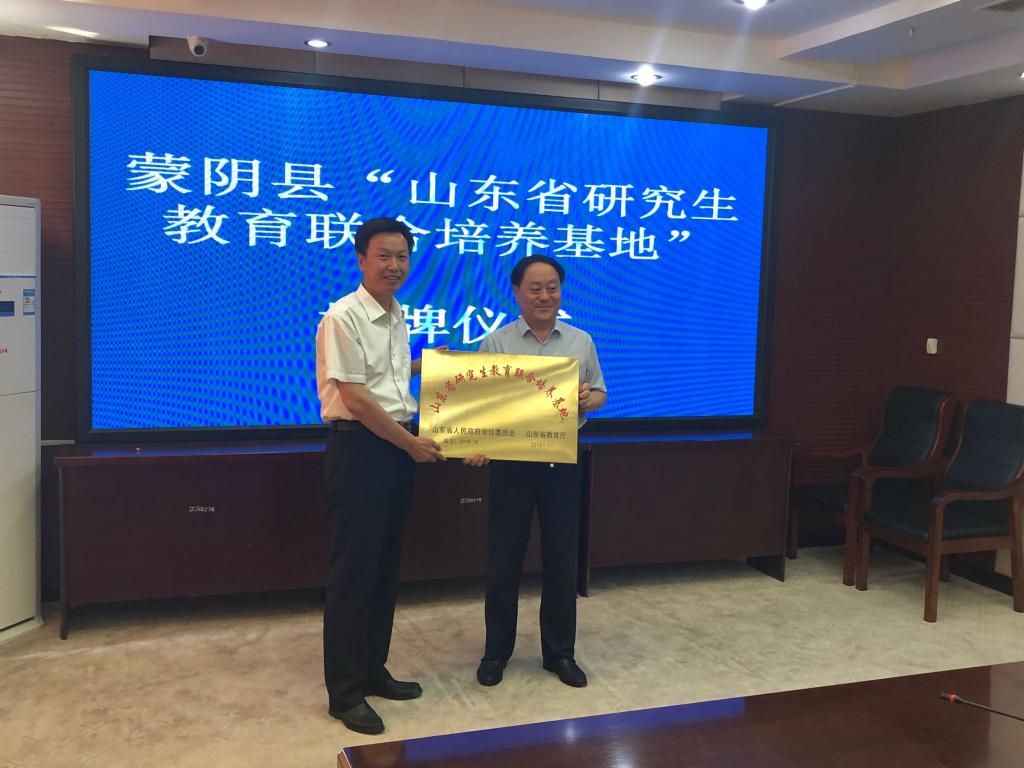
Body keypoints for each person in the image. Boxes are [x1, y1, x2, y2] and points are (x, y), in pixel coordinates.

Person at [315, 217, 445, 735]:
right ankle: (345, 693)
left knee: (385, 566)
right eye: (384, 256)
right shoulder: (343, 316)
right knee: (353, 574)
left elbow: (385, 379)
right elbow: (356, 398)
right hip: (362, 449)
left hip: (392, 448)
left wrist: (430, 365)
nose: (395, 265)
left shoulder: (396, 314)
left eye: (402, 256)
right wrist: (410, 443)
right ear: (361, 259)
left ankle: (373, 670)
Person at [474, 254, 607, 689]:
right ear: (517, 292)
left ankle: (559, 654)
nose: (545, 295)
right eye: (535, 288)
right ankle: (496, 653)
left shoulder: (581, 341)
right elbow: (480, 406)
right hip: (511, 463)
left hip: (562, 460)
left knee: (561, 560)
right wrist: (475, 443)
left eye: (552, 287)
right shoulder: (496, 343)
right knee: (503, 561)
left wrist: (588, 400)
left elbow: (600, 392)